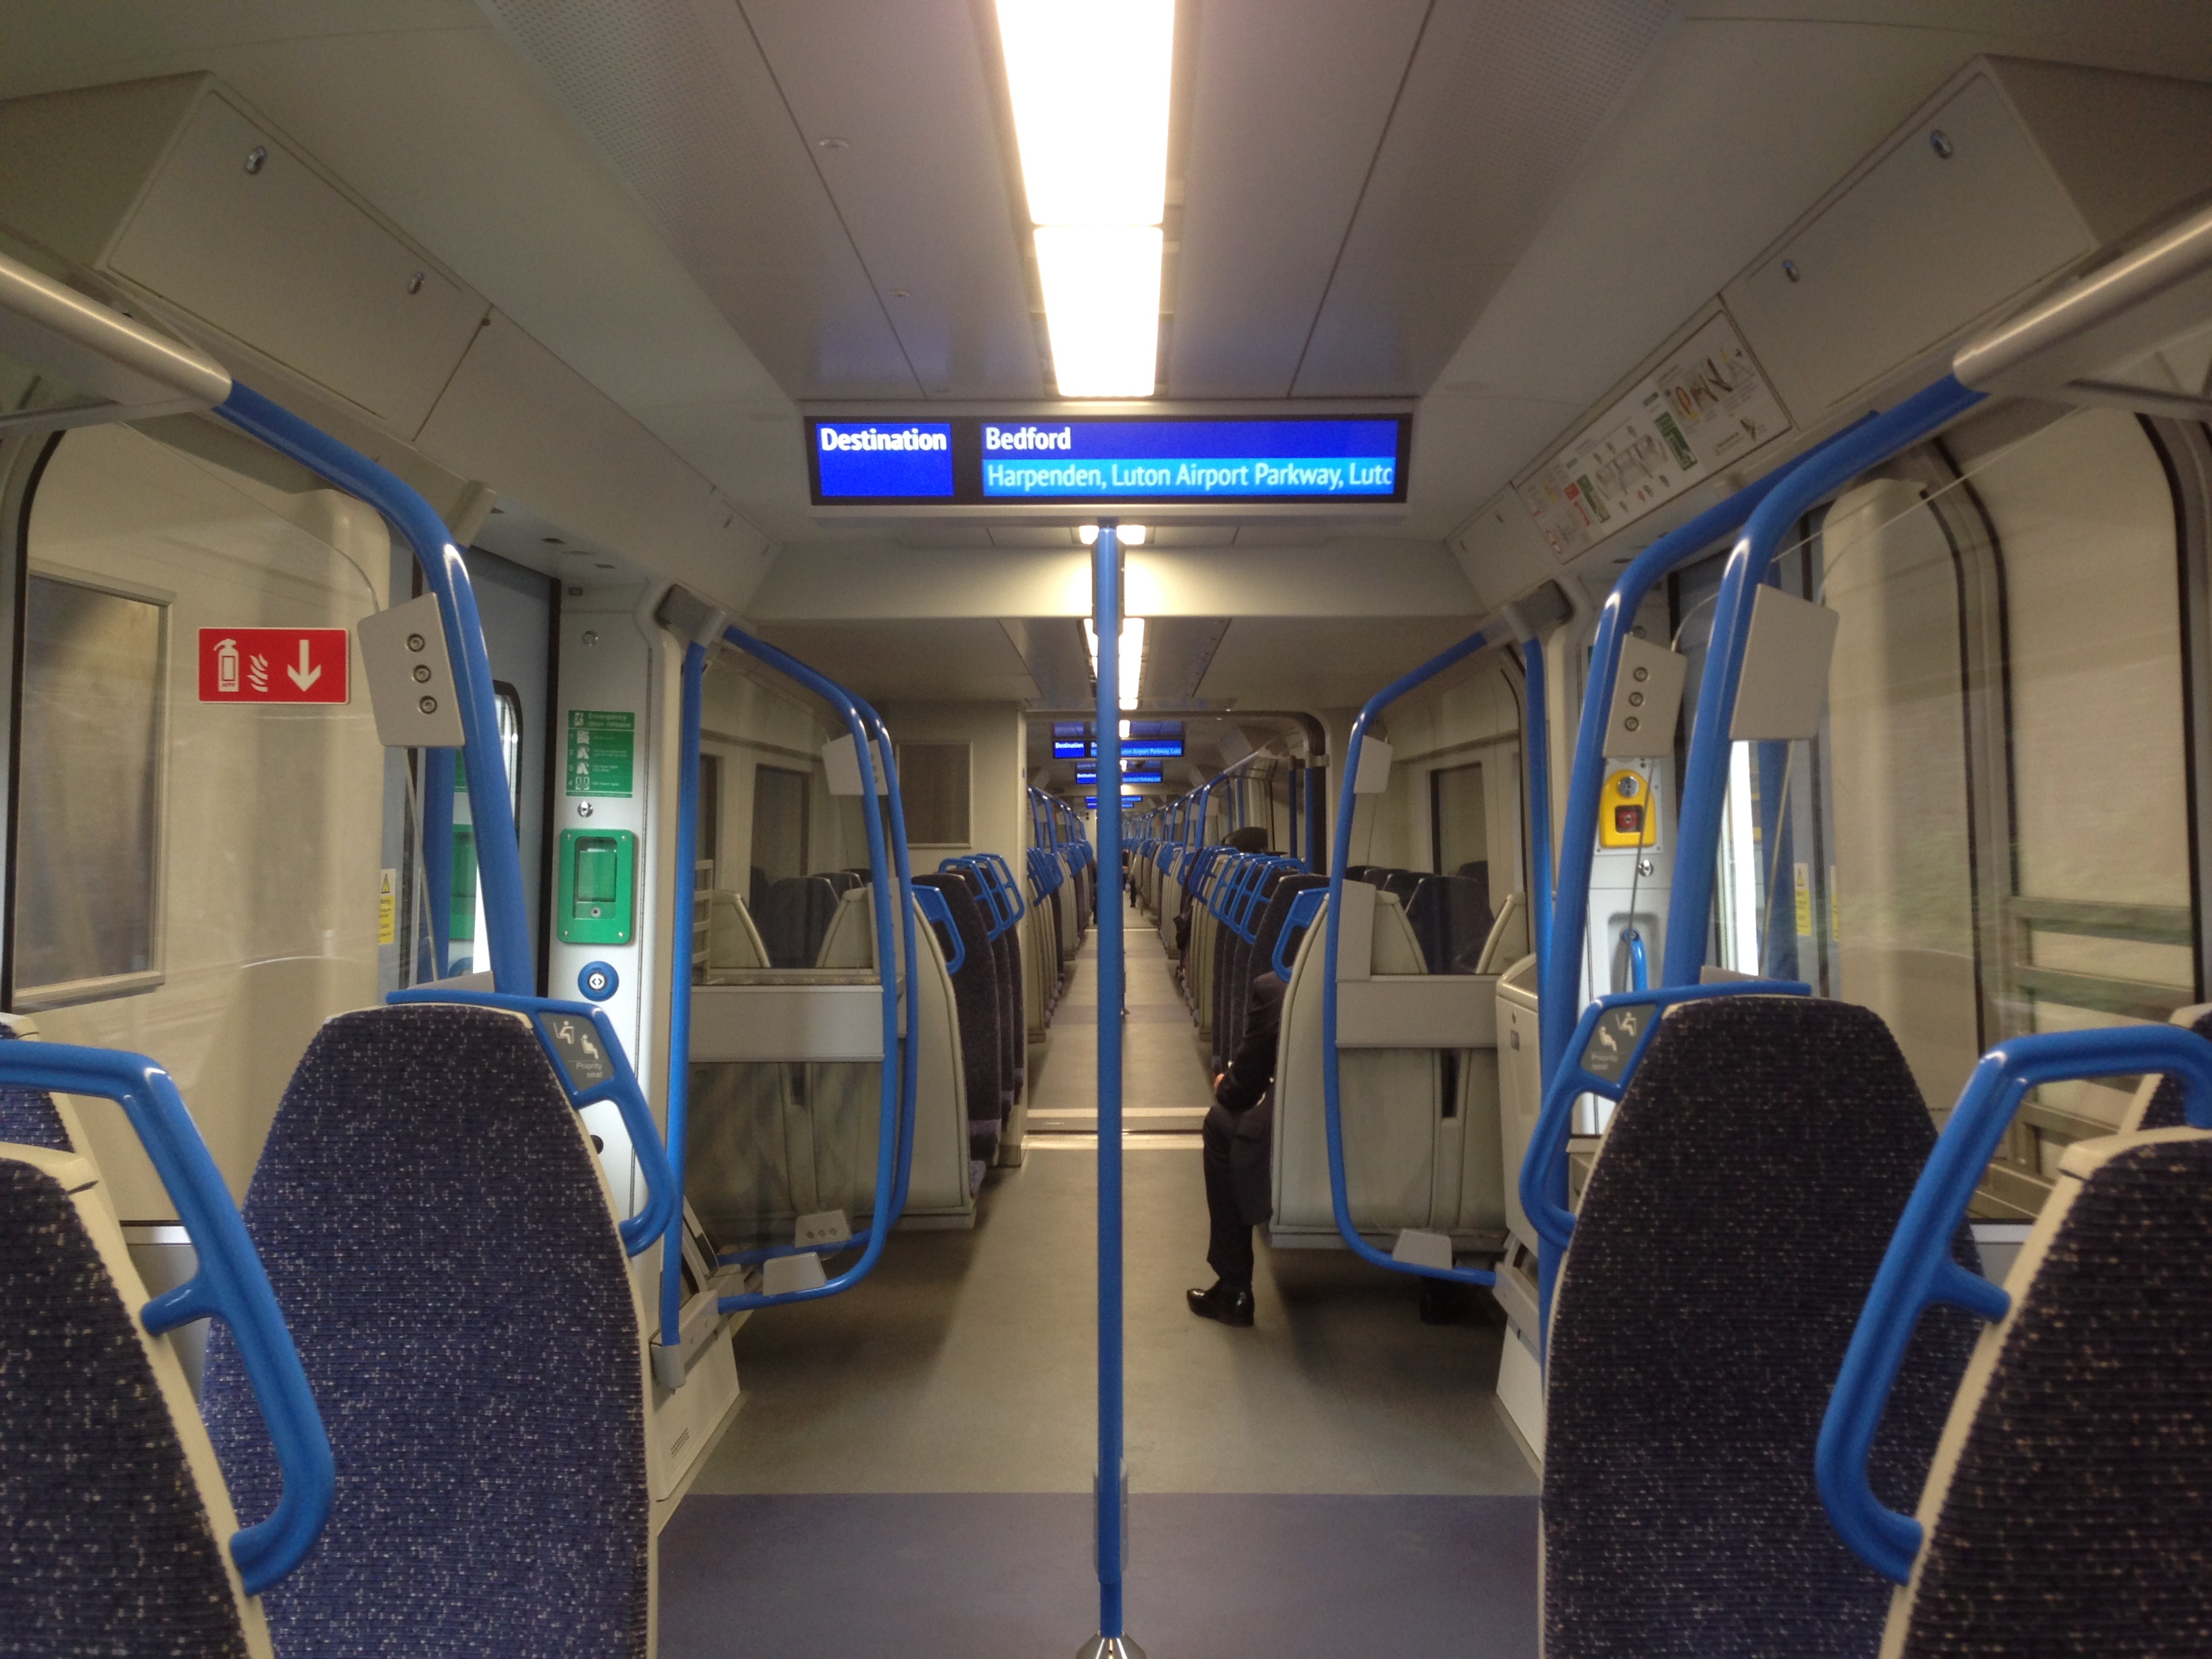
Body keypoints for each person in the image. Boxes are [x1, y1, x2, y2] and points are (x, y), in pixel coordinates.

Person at [1188, 965, 1284, 1327]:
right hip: (1411, 1151)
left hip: (1311, 1148)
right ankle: (1444, 1280)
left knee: (1220, 1124)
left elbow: (1242, 1088)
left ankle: (1235, 1288)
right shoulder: (1441, 985)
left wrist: (1225, 1085)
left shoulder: (1279, 989)